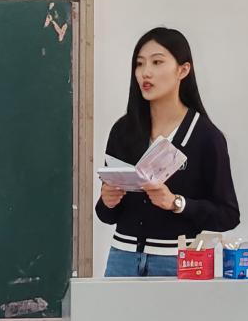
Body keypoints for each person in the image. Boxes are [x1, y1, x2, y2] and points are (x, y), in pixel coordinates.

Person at [96, 27, 240, 277]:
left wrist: (176, 203)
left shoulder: (206, 136)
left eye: (157, 62)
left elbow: (228, 216)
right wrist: (107, 201)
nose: (146, 72)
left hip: (177, 261)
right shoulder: (123, 130)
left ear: (183, 70)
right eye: (139, 64)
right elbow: (106, 215)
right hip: (122, 259)